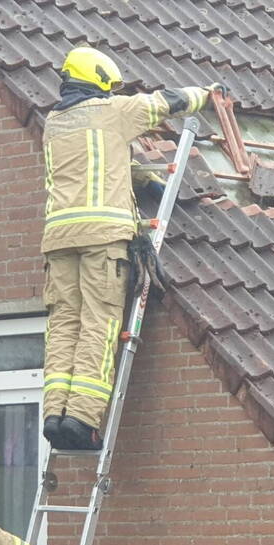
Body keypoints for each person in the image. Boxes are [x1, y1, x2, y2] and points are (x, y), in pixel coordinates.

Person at [40, 45, 221, 451]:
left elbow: (95, 163)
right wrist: (208, 94)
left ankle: (55, 415)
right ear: (100, 81)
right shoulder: (113, 112)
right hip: (102, 239)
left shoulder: (54, 123)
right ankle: (82, 420)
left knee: (64, 325)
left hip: (57, 241)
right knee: (99, 324)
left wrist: (142, 180)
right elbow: (164, 103)